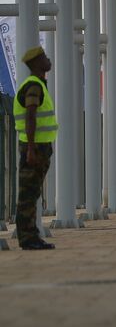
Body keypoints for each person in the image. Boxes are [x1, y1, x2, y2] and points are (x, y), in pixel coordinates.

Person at [13, 46, 57, 250]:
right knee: (28, 194)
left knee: (32, 193)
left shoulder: (38, 85)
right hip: (35, 148)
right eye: (45, 57)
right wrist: (31, 149)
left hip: (38, 147)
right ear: (37, 63)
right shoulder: (34, 87)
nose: (48, 60)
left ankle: (32, 236)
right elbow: (31, 117)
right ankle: (27, 238)